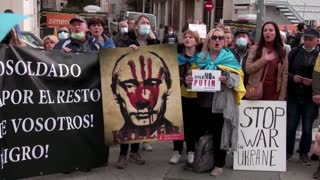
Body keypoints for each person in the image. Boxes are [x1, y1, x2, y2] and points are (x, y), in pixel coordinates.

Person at [187, 28, 245, 176]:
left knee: (220, 134)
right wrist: (189, 80)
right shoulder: (200, 57)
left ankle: (219, 164)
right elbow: (190, 78)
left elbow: (239, 80)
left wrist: (227, 78)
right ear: (209, 40)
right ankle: (203, 159)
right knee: (200, 133)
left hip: (221, 103)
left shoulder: (229, 58)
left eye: (220, 38)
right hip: (202, 102)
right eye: (214, 38)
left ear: (224, 41)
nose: (217, 40)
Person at [116, 15, 161, 169]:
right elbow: (116, 56)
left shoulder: (152, 42)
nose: (146, 25)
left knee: (141, 121)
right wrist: (127, 50)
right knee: (128, 120)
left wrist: (154, 40)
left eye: (148, 23)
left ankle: (135, 152)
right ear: (135, 26)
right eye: (143, 23)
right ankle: (123, 154)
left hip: (147, 86)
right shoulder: (126, 41)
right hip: (131, 86)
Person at [287, 28, 320, 165]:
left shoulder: (319, 55)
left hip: (311, 97)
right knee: (291, 125)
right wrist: (293, 77)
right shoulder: (294, 52)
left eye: (310, 39)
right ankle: (288, 151)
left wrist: (313, 84)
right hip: (294, 95)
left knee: (307, 127)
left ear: (317, 41)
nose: (307, 42)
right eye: (305, 39)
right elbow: (284, 72)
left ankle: (304, 152)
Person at [169, 30, 202, 165]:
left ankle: (191, 150)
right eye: (186, 37)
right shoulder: (176, 57)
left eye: (191, 37)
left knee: (192, 123)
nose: (188, 39)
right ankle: (177, 150)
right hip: (178, 94)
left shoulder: (202, 58)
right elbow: (169, 73)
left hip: (195, 96)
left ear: (196, 41)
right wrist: (182, 79)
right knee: (177, 123)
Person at [245, 21, 288, 101]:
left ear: (276, 33)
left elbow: (284, 75)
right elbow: (248, 69)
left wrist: (282, 97)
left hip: (274, 92)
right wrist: (264, 60)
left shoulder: (282, 51)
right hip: (256, 90)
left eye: (271, 30)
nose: (267, 32)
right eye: (265, 30)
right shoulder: (255, 48)